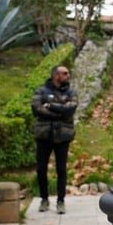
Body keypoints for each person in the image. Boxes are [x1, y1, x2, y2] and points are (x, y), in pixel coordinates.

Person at [31, 66, 77, 214]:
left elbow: (71, 108)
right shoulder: (40, 91)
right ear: (55, 75)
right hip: (44, 135)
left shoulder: (71, 92)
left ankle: (60, 201)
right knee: (41, 168)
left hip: (63, 136)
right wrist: (61, 111)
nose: (68, 75)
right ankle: (44, 199)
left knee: (61, 169)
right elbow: (36, 109)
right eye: (65, 73)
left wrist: (51, 106)